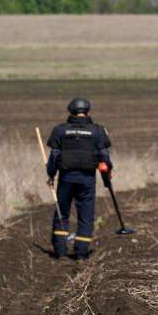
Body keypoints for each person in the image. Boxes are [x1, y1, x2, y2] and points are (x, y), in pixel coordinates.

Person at [46, 97, 113, 260]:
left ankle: (60, 251)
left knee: (62, 213)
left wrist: (51, 174)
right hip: (87, 180)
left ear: (70, 111)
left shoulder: (60, 130)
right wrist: (107, 175)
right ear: (88, 111)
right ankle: (81, 252)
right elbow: (104, 156)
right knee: (86, 215)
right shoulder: (98, 131)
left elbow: (54, 156)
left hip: (66, 179)